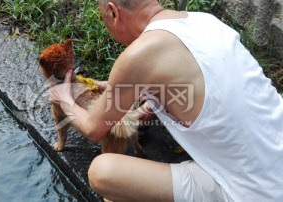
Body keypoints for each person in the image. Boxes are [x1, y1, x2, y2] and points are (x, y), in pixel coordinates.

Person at [48, 0, 283, 201]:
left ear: (113, 12)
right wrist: (104, 87)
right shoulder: (206, 21)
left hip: (252, 193)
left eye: (104, 19)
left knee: (102, 171)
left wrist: (64, 97)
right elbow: (195, 87)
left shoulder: (139, 55)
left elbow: (93, 129)